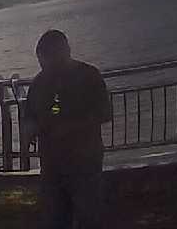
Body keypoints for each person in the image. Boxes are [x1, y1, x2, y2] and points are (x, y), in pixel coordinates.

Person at [25, 30, 112, 229]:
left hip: (84, 162)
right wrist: (29, 131)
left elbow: (104, 113)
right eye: (43, 61)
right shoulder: (38, 84)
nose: (46, 66)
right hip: (52, 165)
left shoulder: (89, 75)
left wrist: (71, 127)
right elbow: (30, 115)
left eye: (51, 59)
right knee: (55, 218)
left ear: (65, 51)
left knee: (88, 216)